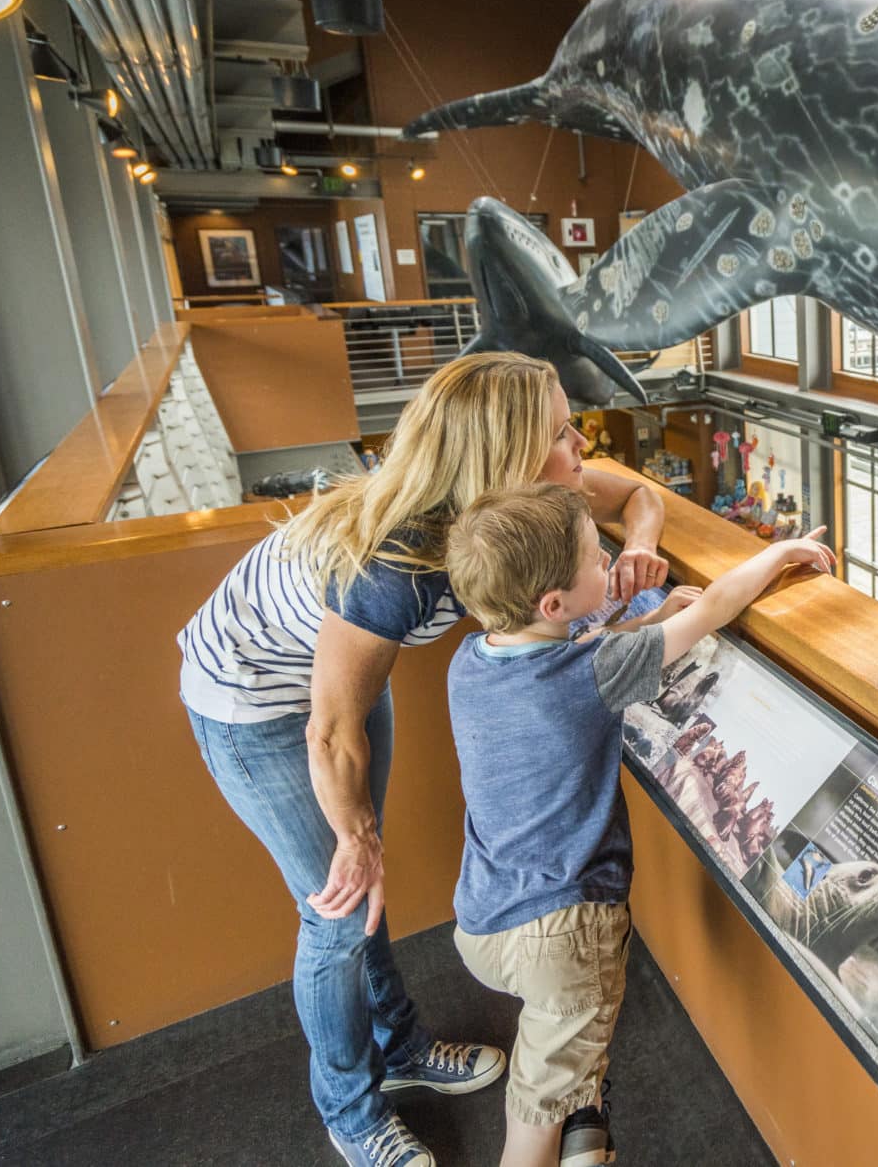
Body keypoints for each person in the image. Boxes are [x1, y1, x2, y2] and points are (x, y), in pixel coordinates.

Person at [177, 353, 668, 1167]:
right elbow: (330, 731)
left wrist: (641, 547)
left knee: (366, 896)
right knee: (338, 910)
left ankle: (401, 1048)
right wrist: (356, 834)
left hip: (344, 681)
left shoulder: (528, 503)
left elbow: (640, 492)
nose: (580, 441)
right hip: (257, 702)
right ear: (505, 452)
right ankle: (351, 1110)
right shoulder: (395, 563)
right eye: (558, 432)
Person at [441, 483, 835, 1167]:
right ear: (554, 604)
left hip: (483, 918)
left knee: (556, 1054)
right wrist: (781, 556)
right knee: (536, 1106)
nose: (612, 565)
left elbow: (561, 660)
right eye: (599, 559)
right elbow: (715, 606)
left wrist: (633, 631)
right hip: (564, 935)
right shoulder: (594, 669)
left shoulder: (469, 663)